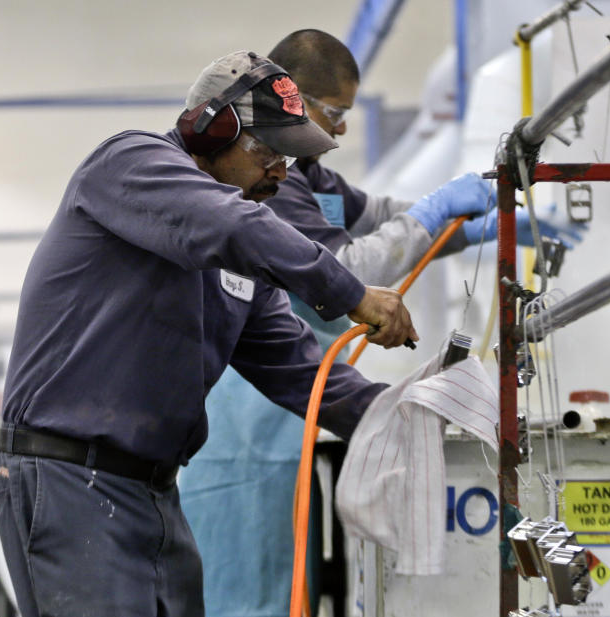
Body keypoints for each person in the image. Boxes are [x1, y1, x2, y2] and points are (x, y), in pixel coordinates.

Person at [0, 49, 454, 617]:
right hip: (69, 482)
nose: (281, 174)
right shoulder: (130, 163)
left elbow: (304, 373)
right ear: (211, 129)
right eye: (272, 153)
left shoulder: (237, 268)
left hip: (152, 493)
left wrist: (414, 417)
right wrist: (353, 292)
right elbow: (232, 224)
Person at [179, 30, 585, 617]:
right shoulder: (269, 187)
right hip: (248, 418)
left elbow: (381, 220)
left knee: (292, 569)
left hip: (300, 402)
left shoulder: (315, 182)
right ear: (290, 101)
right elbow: (343, 268)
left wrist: (467, 223)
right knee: (249, 575)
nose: (340, 130)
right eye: (333, 113)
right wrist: (434, 213)